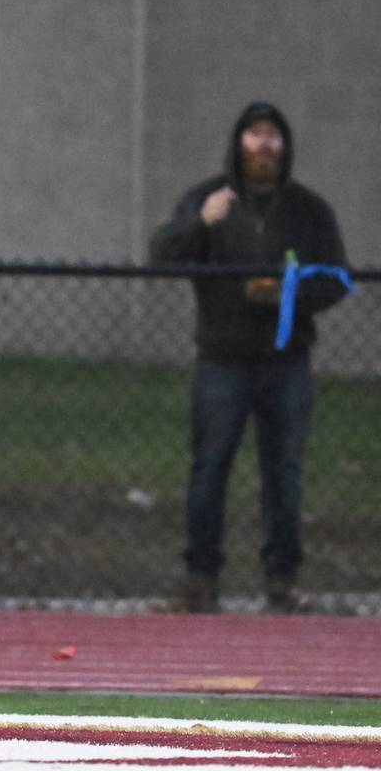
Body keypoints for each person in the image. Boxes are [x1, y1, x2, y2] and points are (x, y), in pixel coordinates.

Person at [150, 101, 349, 614]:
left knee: (284, 472)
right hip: (222, 360)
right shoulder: (208, 199)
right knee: (210, 468)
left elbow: (336, 279)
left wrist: (288, 296)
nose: (264, 145)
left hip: (287, 363)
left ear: (285, 146)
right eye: (255, 135)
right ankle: (201, 579)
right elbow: (164, 255)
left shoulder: (308, 211)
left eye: (273, 136)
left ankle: (281, 581)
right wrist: (200, 223)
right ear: (239, 142)